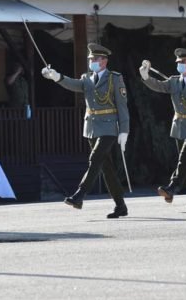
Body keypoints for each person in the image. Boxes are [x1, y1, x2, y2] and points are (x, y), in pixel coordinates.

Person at [41, 43, 130, 219]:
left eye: (95, 59)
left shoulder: (115, 78)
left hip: (109, 127)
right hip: (91, 126)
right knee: (106, 168)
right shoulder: (87, 77)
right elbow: (74, 85)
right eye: (90, 59)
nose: (92, 62)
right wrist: (57, 77)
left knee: (95, 158)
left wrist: (124, 130)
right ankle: (121, 206)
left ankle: (79, 196)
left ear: (104, 61)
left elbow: (122, 105)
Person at [139, 48, 186, 211]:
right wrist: (145, 75)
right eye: (178, 63)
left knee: (184, 159)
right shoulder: (173, 81)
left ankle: (172, 187)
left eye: (183, 62)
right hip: (179, 127)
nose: (180, 65)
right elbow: (159, 86)